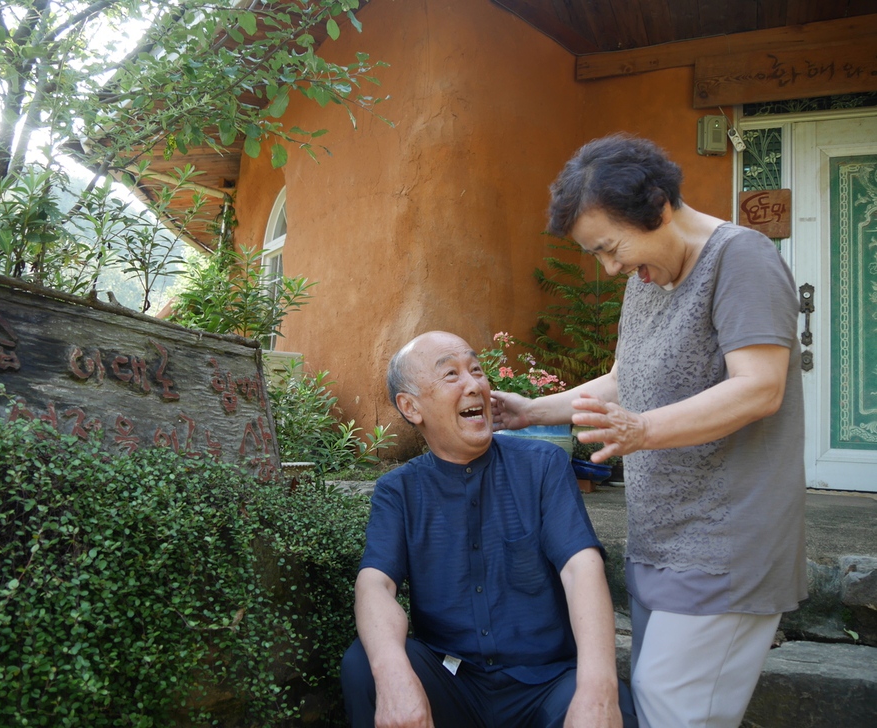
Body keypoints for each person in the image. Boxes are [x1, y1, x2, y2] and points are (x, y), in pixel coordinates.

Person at [491, 134, 807, 728]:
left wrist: (642, 430)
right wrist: (531, 410)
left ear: (658, 206)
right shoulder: (646, 281)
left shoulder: (742, 259)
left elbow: (760, 386)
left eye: (611, 247)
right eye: (598, 256)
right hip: (662, 541)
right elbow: (622, 380)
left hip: (727, 545)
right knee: (661, 706)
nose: (610, 268)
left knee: (671, 708)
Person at [341, 330, 638, 728]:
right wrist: (393, 676)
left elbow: (580, 567)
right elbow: (375, 585)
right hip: (453, 683)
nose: (474, 385)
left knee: (614, 703)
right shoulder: (398, 491)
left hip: (546, 685)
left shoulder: (542, 465)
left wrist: (597, 687)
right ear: (411, 407)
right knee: (365, 665)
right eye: (451, 375)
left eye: (477, 370)